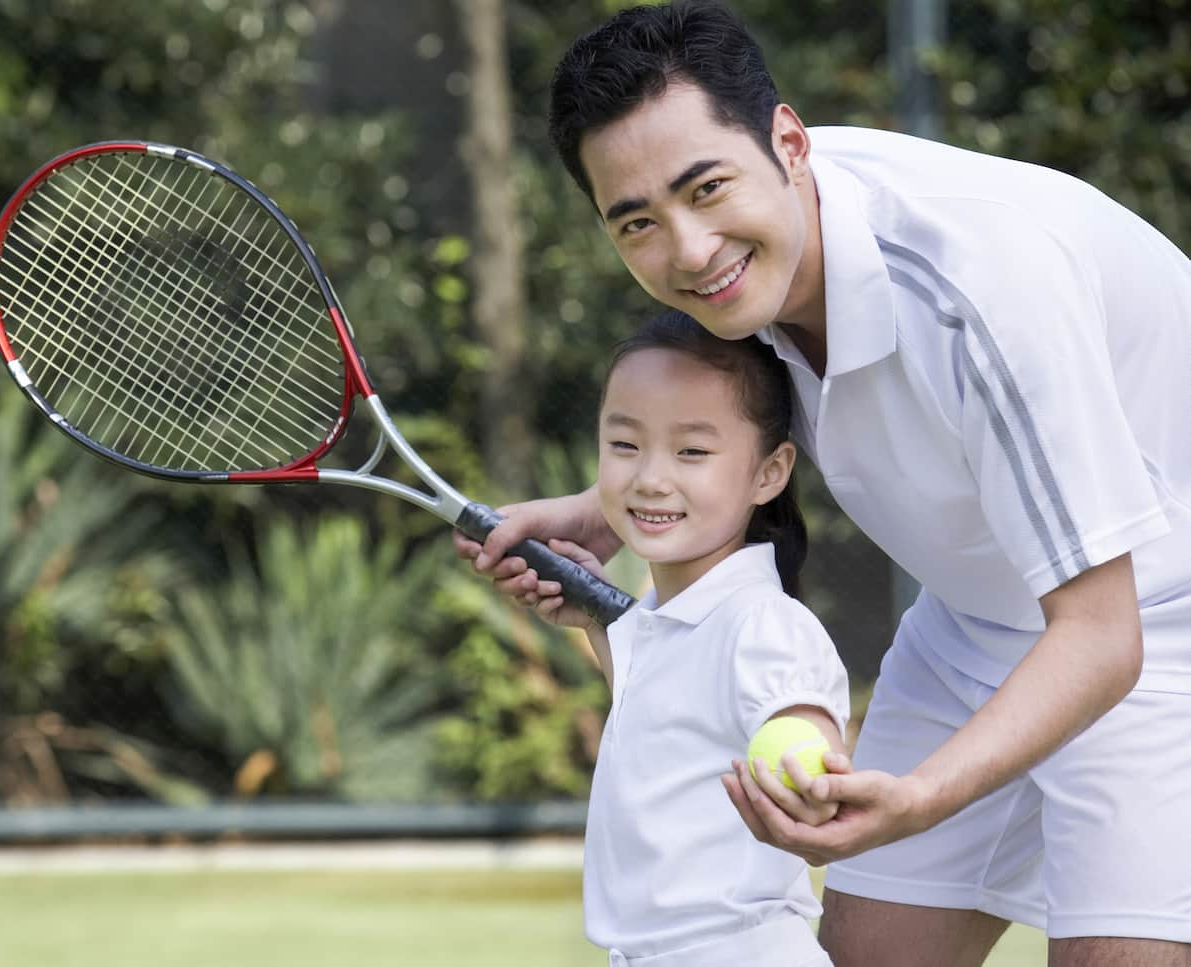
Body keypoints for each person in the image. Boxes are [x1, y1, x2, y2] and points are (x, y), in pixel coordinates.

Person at [454, 2, 1191, 965]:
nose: (688, 249)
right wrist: (607, 515)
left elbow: (1102, 635)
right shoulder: (748, 267)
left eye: (706, 189)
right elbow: (741, 423)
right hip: (978, 616)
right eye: (636, 222)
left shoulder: (986, 287)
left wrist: (923, 796)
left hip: (1156, 620)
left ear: (789, 143)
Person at [548, 307, 848, 967]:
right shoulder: (667, 622)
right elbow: (665, 717)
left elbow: (804, 734)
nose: (652, 476)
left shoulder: (762, 623)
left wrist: (811, 778)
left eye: (691, 450)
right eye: (625, 444)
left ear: (769, 473)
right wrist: (593, 608)